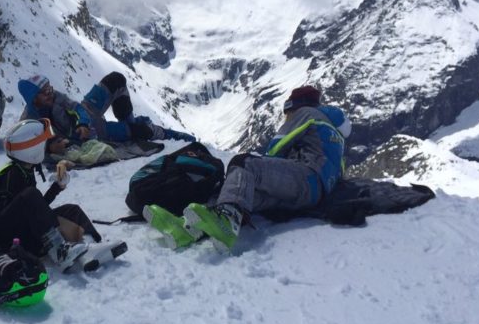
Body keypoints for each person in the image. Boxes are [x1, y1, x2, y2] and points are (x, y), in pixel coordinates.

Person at [145, 85, 352, 250]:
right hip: (313, 193)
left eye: (288, 114)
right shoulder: (335, 134)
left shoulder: (307, 112)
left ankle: (226, 220)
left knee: (244, 164)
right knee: (244, 192)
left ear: (294, 106)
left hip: (306, 179)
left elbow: (277, 146)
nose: (287, 118)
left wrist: (263, 167)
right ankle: (190, 228)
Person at [0, 119, 98, 270]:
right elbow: (2, 222)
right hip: (11, 241)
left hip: (25, 229)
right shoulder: (11, 175)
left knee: (72, 209)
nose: (44, 145)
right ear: (31, 149)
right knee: (31, 194)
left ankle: (92, 245)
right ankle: (59, 252)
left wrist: (57, 187)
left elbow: (36, 209)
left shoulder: (26, 169)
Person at [18, 72, 195, 145]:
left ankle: (129, 121)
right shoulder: (30, 123)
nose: (51, 93)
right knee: (140, 131)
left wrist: (84, 123)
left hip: (88, 115)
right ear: (34, 99)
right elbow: (31, 148)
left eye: (49, 88)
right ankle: (170, 136)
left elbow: (77, 108)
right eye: (45, 92)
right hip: (96, 134)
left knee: (116, 80)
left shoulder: (55, 97)